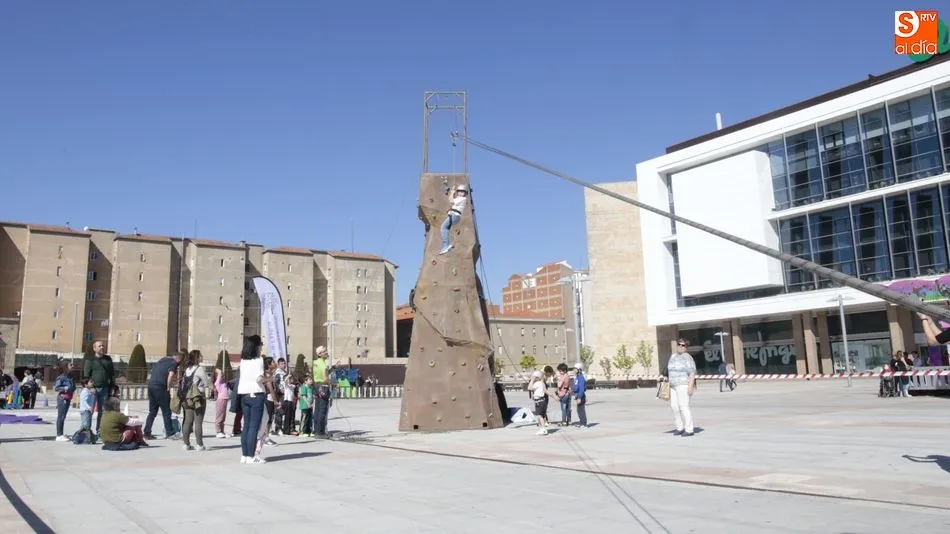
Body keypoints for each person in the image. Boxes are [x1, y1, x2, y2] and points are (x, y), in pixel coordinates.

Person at [144, 350, 185, 440]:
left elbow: (159, 372)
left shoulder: (163, 359)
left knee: (152, 412)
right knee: (166, 412)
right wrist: (168, 387)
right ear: (180, 359)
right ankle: (170, 433)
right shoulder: (174, 363)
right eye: (181, 362)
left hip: (151, 385)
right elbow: (170, 375)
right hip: (160, 387)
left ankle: (147, 433)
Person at [238, 335, 266, 464]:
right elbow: (259, 379)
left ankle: (244, 455)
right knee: (254, 427)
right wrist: (269, 379)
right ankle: (251, 456)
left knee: (246, 426)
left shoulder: (243, 360)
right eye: (260, 344)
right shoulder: (259, 360)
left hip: (244, 394)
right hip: (256, 393)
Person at [665, 338, 697, 437]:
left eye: (683, 345)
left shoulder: (687, 357)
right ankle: (679, 427)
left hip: (683, 384)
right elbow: (668, 370)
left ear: (686, 347)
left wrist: (690, 386)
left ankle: (689, 429)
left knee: (683, 406)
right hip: (673, 385)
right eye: (679, 344)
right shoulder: (673, 356)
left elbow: (692, 373)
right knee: (674, 407)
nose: (681, 347)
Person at [180, 350, 210, 451]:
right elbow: (206, 383)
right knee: (198, 422)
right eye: (200, 355)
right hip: (197, 397)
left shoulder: (187, 369)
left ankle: (186, 444)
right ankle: (199, 445)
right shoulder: (199, 369)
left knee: (187, 421)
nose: (202, 356)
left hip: (187, 398)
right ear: (197, 357)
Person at [83, 340, 116, 432]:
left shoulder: (108, 359)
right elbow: (86, 375)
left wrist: (113, 387)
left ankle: (100, 431)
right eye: (99, 346)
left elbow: (112, 374)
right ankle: (87, 431)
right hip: (93, 389)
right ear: (94, 349)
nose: (102, 347)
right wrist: (91, 387)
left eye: (103, 345)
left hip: (105, 389)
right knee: (90, 410)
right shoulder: (90, 360)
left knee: (103, 411)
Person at [312, 346, 336, 438]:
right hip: (323, 387)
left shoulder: (316, 363)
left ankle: (316, 430)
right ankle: (321, 433)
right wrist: (335, 383)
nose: (327, 352)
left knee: (317, 409)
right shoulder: (323, 364)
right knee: (323, 410)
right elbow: (325, 379)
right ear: (319, 354)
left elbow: (322, 375)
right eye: (324, 351)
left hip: (317, 386)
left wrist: (332, 368)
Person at [438, 184, 469, 255]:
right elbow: (450, 200)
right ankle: (446, 246)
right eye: (460, 191)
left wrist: (452, 192)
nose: (461, 193)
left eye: (462, 191)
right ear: (457, 192)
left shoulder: (462, 199)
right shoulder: (458, 199)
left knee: (443, 227)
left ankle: (446, 245)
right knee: (446, 229)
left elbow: (451, 202)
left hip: (455, 216)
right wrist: (452, 192)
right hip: (454, 216)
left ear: (465, 193)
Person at [53, 360, 77, 441]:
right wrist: (64, 388)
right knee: (61, 416)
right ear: (66, 367)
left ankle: (61, 433)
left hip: (68, 398)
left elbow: (73, 387)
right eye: (71, 365)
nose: (73, 366)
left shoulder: (71, 376)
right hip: (62, 398)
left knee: (63, 416)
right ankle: (59, 435)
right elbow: (56, 388)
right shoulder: (61, 377)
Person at [213, 354, 232, 438]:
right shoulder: (217, 383)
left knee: (223, 416)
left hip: (225, 399)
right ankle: (218, 431)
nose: (222, 376)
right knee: (219, 416)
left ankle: (222, 431)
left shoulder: (223, 382)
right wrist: (216, 369)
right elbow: (219, 373)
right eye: (221, 376)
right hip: (221, 400)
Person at [527, 370, 551, 435]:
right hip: (543, 401)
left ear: (536, 377)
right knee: (542, 416)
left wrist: (532, 381)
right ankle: (542, 428)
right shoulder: (542, 383)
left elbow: (529, 388)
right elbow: (545, 390)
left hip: (539, 402)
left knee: (540, 416)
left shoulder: (537, 383)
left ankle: (543, 429)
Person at [572, 363, 588, 428]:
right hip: (578, 396)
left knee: (581, 411)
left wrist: (579, 397)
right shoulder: (577, 377)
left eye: (575, 369)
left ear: (579, 370)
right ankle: (581, 422)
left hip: (581, 397)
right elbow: (577, 387)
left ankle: (584, 424)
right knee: (579, 410)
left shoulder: (581, 377)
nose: (574, 370)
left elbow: (581, 389)